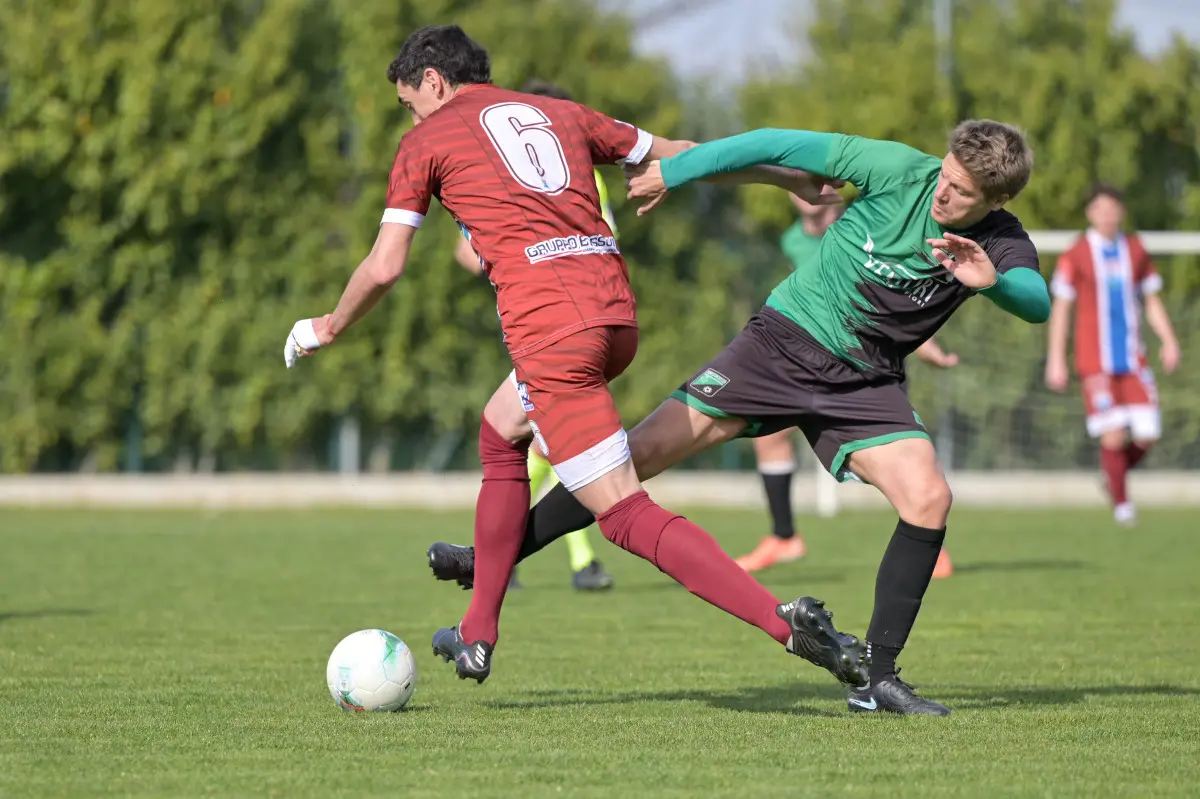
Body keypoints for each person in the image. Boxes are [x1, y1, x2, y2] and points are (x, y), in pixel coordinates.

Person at [284, 25, 868, 693]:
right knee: (500, 428)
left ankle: (787, 623)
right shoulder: (561, 113)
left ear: (435, 82)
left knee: (621, 511)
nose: (407, 114)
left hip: (551, 333)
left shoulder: (426, 141)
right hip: (613, 317)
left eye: (407, 100)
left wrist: (328, 325)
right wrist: (784, 175)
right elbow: (680, 154)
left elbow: (385, 267)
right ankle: (477, 633)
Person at [428, 120, 1050, 715]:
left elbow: (1036, 302)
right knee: (632, 460)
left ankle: (878, 680)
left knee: (929, 498)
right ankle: (492, 562)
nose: (942, 191)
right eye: (945, 175)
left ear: (994, 199)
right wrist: (674, 172)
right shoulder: (896, 168)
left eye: (962, 191)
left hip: (865, 381)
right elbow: (774, 142)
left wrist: (991, 279)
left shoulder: (999, 241)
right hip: (781, 345)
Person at [449, 80, 620, 593]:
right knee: (557, 447)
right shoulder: (535, 175)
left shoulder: (520, 172)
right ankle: (534, 555)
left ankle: (513, 552)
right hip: (555, 319)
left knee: (551, 447)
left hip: (561, 318)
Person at [737, 190, 960, 579]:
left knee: (896, 462)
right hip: (809, 360)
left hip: (865, 366)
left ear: (831, 190)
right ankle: (784, 536)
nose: (800, 192)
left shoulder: (862, 228)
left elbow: (894, 292)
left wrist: (927, 347)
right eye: (793, 185)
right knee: (767, 434)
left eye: (809, 182)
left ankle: (928, 538)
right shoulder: (793, 238)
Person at [1044, 184, 1179, 526]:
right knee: (1114, 434)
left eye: (1113, 208)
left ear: (1122, 212)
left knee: (1148, 433)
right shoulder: (1076, 253)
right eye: (1100, 209)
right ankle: (1123, 505)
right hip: (1095, 361)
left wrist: (1169, 339)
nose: (1107, 215)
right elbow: (1061, 306)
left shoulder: (1134, 249)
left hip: (1134, 359)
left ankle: (1111, 478)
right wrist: (1056, 357)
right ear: (1090, 213)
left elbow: (1150, 300)